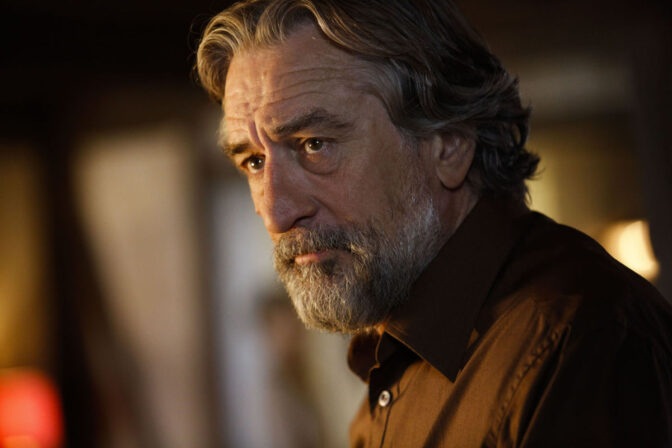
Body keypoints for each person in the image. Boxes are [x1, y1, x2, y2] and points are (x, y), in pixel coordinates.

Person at [196, 1, 672, 446]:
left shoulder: (581, 344)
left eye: (314, 144)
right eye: (253, 161)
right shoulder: (393, 366)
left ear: (449, 145)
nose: (276, 213)